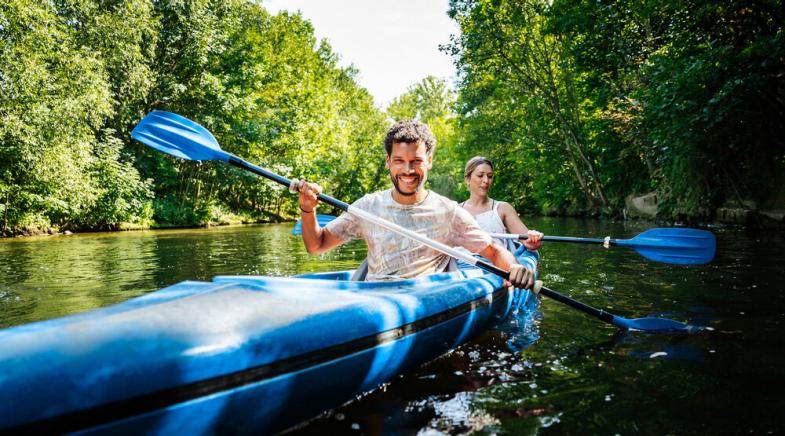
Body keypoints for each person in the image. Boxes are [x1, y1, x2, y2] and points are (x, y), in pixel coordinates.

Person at [295, 120, 541, 289]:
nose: (408, 170)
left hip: (420, 303)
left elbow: (494, 251)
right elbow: (316, 245)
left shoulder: (449, 212)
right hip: (371, 298)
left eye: (416, 161)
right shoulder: (367, 207)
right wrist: (308, 209)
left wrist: (515, 268)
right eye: (399, 161)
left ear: (429, 161)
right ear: (388, 162)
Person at [461, 156, 543, 252]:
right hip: (461, 265)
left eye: (490, 176)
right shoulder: (454, 211)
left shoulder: (502, 208)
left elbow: (528, 241)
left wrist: (533, 238)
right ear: (467, 179)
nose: (486, 181)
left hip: (494, 264)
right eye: (480, 175)